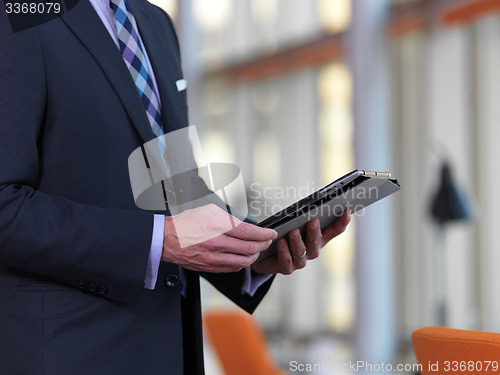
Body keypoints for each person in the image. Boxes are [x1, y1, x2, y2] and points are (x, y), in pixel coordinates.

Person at [0, 0, 351, 374]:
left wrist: (250, 251)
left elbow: (179, 184)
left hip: (170, 351)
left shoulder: (156, 23)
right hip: (69, 352)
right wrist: (158, 239)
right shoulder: (17, 14)